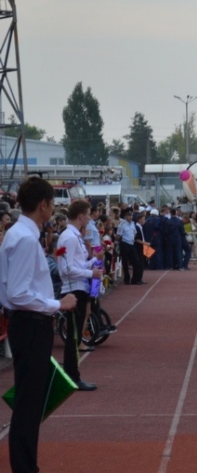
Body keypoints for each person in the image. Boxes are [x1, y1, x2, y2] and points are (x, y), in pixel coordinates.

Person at [0, 176, 78, 473]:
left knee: (30, 402)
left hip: (27, 323)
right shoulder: (24, 238)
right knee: (29, 404)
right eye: (53, 203)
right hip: (31, 324)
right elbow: (19, 293)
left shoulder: (17, 234)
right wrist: (58, 304)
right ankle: (24, 466)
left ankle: (26, 464)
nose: (54, 209)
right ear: (43, 205)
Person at [56, 200, 103, 390]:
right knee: (73, 335)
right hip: (74, 289)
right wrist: (90, 272)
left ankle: (73, 374)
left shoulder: (73, 236)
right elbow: (66, 269)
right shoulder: (69, 237)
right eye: (88, 214)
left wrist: (92, 262)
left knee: (75, 335)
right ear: (81, 216)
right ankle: (72, 376)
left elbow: (76, 264)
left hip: (79, 287)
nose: (90, 217)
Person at [115, 207, 143, 284]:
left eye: (131, 215)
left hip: (131, 243)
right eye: (129, 215)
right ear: (125, 216)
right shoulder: (122, 225)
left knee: (136, 262)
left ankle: (135, 279)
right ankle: (127, 279)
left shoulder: (133, 224)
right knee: (125, 262)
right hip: (125, 243)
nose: (130, 217)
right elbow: (118, 236)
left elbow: (134, 233)